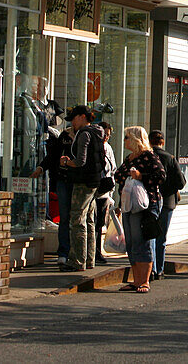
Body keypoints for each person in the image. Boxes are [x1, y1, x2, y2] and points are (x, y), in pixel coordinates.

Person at [113, 126, 166, 293]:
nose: (125, 141)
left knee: (142, 241)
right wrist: (128, 175)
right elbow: (117, 176)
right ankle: (136, 280)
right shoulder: (130, 158)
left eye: (127, 137)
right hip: (128, 204)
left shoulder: (149, 156)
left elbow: (161, 176)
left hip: (145, 205)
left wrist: (140, 176)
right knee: (131, 242)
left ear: (136, 139)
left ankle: (145, 280)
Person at [58, 106, 108, 272]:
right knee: (90, 220)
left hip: (83, 181)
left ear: (82, 117)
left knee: (77, 219)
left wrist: (66, 162)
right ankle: (89, 258)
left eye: (74, 118)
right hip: (95, 181)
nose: (72, 122)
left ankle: (77, 261)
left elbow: (80, 161)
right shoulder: (97, 132)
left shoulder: (84, 133)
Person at [30, 115, 73, 265]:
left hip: (81, 183)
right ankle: (64, 252)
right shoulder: (64, 136)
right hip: (62, 180)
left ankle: (78, 253)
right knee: (65, 218)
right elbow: (53, 155)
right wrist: (41, 168)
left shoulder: (87, 136)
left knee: (80, 219)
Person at [149, 130, 186, 281]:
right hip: (167, 201)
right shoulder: (170, 158)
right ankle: (159, 269)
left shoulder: (147, 157)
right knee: (161, 238)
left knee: (150, 235)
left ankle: (150, 268)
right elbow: (181, 182)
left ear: (149, 141)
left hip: (149, 201)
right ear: (162, 142)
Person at [92, 119, 117, 265]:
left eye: (108, 135)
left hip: (105, 192)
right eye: (104, 134)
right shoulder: (94, 147)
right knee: (92, 221)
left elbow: (112, 169)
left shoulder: (108, 148)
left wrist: (111, 193)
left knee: (100, 223)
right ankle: (92, 251)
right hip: (94, 189)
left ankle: (97, 251)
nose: (106, 137)